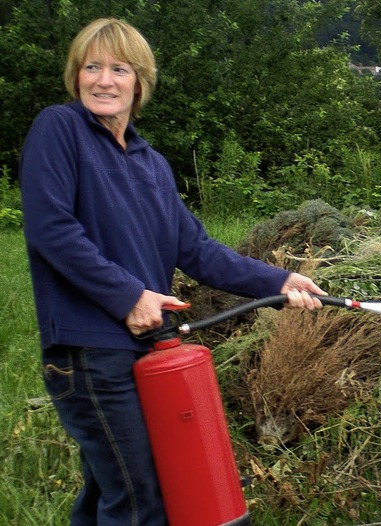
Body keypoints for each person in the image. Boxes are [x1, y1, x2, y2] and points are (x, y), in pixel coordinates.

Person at [20, 17, 326, 525]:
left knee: (110, 491)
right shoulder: (61, 128)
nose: (103, 80)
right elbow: (52, 230)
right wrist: (128, 296)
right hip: (89, 350)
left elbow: (198, 250)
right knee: (140, 499)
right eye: (91, 67)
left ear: (139, 81)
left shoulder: (149, 162)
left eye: (119, 69)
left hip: (141, 349)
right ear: (76, 76)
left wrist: (278, 280)